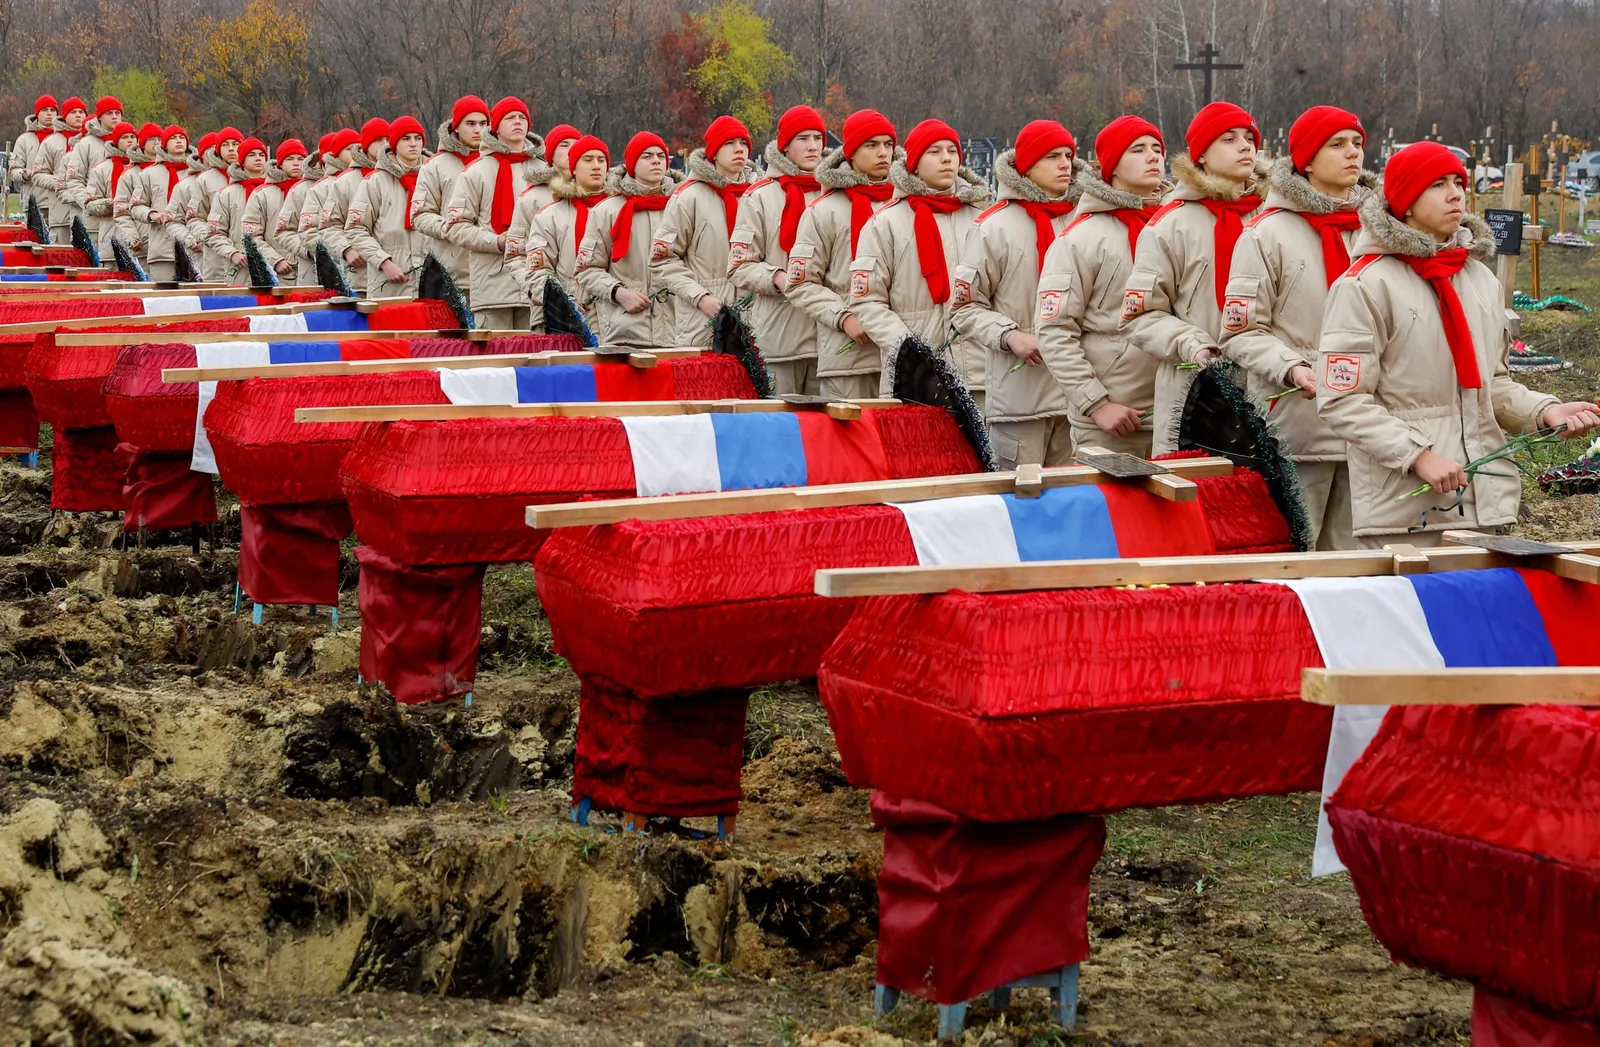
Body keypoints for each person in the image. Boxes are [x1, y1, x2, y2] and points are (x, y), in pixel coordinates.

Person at [1318, 142, 1599, 548]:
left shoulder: (1479, 280)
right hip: (1402, 515)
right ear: (1407, 203)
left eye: (1458, 182)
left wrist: (1544, 410)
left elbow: (1491, 384)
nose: (1455, 194)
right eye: (1438, 184)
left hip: (1481, 503)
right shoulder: (1365, 286)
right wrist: (1418, 456)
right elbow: (1341, 400)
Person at [1221, 106, 1374, 549]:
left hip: (1366, 432)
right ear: (1306, 160)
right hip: (1296, 426)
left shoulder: (1377, 232)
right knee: (1294, 556)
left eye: (1357, 144)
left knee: (1353, 565)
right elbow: (1241, 331)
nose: (1352, 154)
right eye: (1337, 144)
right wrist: (1292, 367)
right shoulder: (1265, 235)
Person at [1120, 102, 1266, 454]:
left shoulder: (1271, 220)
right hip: (1193, 393)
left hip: (1268, 390)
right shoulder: (1171, 224)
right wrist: (1193, 344)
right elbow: (1138, 316)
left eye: (1249, 137)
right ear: (1201, 155)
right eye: (1229, 139)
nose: (1245, 146)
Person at [1034, 115, 1166, 458]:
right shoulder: (1080, 239)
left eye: (1157, 149)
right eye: (1138, 149)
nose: (1154, 157)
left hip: (1178, 414)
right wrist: (1096, 404)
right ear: (1112, 167)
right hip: (1116, 419)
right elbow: (1054, 331)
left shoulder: (1172, 229)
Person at [953, 119, 1078, 466]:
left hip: (1080, 400)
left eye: (1068, 155)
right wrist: (1010, 336)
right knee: (1021, 503)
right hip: (1020, 399)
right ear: (1026, 165)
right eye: (1053, 156)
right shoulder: (994, 227)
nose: (1065, 164)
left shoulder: (1083, 224)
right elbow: (964, 309)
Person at [848, 118, 992, 403]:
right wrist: (911, 351)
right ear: (914, 162)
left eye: (952, 150)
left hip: (978, 374)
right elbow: (866, 302)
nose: (946, 158)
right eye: (934, 151)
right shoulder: (884, 224)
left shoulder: (982, 219)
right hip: (912, 380)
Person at [784, 109, 898, 399]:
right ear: (851, 153)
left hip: (901, 358)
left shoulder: (906, 208)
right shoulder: (824, 211)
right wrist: (844, 317)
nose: (882, 153)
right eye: (871, 146)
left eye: (888, 144)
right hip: (849, 357)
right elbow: (801, 283)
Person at [728, 105, 827, 394]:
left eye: (818, 138)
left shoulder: (835, 194)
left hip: (831, 338)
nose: (813, 147)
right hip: (780, 335)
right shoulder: (760, 197)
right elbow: (739, 265)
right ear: (785, 147)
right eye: (803, 139)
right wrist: (776, 277)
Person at [651, 115, 760, 346]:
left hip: (755, 321)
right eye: (729, 143)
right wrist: (700, 297)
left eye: (743, 143)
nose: (738, 149)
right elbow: (663, 260)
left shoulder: (758, 195)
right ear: (714, 152)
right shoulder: (689, 196)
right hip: (702, 322)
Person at [445, 96, 553, 328]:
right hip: (492, 285)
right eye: (510, 117)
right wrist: (496, 241)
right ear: (495, 128)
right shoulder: (476, 171)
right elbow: (455, 227)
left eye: (522, 117)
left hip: (534, 285)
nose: (517, 122)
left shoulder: (545, 171)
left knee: (533, 357)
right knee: (496, 357)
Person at [575, 131, 679, 346]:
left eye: (661, 155)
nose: (656, 161)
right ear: (632, 164)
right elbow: (587, 269)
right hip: (627, 329)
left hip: (679, 329)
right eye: (647, 156)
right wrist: (617, 292)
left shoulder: (681, 206)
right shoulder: (607, 211)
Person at [524, 133, 608, 331]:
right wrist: (564, 302)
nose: (596, 165)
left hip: (616, 318)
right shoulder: (549, 216)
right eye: (588, 160)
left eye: (601, 160)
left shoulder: (620, 212)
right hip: (569, 318)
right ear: (574, 169)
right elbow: (538, 271)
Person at [411, 95, 487, 293]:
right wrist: (449, 228)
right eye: (470, 123)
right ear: (456, 127)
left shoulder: (499, 164)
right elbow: (419, 215)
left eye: (483, 123)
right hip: (453, 272)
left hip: (494, 276)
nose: (478, 130)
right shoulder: (435, 166)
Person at [346, 116, 428, 297]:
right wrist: (384, 262)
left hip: (430, 283)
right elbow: (355, 229)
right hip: (388, 284)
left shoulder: (432, 177)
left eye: (418, 138)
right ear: (394, 144)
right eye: (406, 138)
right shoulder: (375, 182)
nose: (413, 143)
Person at [322, 118, 388, 294]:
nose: (384, 145)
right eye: (378, 140)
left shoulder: (399, 179)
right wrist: (347, 249)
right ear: (366, 144)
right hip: (360, 274)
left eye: (388, 140)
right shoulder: (345, 182)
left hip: (395, 275)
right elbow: (329, 226)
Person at [281, 130, 356, 286]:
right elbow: (286, 231)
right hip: (314, 270)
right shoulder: (305, 189)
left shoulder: (359, 182)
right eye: (349, 149)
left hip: (355, 268)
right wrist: (311, 252)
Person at [506, 122, 578, 284]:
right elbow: (515, 256)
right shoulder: (531, 198)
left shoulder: (599, 196)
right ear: (551, 155)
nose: (572, 150)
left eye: (577, 146)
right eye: (564, 145)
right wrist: (538, 291)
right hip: (550, 300)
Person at [126, 125, 192, 281]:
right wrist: (152, 215)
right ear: (164, 144)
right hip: (162, 248)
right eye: (173, 138)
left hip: (193, 247)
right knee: (165, 297)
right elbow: (135, 207)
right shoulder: (149, 173)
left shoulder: (198, 174)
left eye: (181, 138)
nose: (178, 141)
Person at [206, 136, 273, 285]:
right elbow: (214, 234)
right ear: (241, 161)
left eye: (262, 155)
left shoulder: (275, 191)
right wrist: (232, 253)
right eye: (252, 154)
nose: (258, 158)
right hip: (240, 268)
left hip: (273, 266)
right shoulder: (226, 194)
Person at [243, 138, 308, 281]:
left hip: (310, 270)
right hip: (277, 274)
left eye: (301, 158)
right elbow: (251, 236)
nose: (296, 163)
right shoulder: (262, 194)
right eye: (290, 159)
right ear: (280, 163)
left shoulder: (313, 190)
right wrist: (275, 260)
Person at [62, 95, 124, 242]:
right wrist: (91, 204)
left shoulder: (129, 142)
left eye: (118, 113)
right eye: (109, 113)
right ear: (100, 117)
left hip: (125, 222)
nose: (115, 117)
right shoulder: (85, 144)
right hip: (94, 221)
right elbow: (74, 180)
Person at [185, 126, 243, 281]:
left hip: (247, 257)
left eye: (235, 144)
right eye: (225, 145)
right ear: (218, 149)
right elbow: (194, 218)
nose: (231, 149)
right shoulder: (205, 179)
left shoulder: (256, 178)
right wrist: (210, 236)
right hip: (217, 257)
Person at [30, 96, 88, 244]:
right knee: (61, 256)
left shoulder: (90, 142)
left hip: (87, 213)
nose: (78, 115)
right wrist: (59, 182)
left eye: (81, 112)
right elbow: (37, 175)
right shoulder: (51, 142)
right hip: (61, 211)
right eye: (73, 112)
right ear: (64, 117)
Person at [81, 121, 138, 260]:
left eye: (132, 136)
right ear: (116, 141)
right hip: (111, 233)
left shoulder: (146, 169)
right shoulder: (101, 169)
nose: (129, 140)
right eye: (124, 137)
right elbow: (89, 204)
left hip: (140, 238)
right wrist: (109, 204)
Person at [11, 96, 57, 209]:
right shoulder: (24, 140)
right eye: (44, 110)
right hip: (35, 203)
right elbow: (13, 171)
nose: (49, 113)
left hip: (60, 204)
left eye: (52, 110)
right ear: (37, 114)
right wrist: (24, 174)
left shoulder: (65, 138)